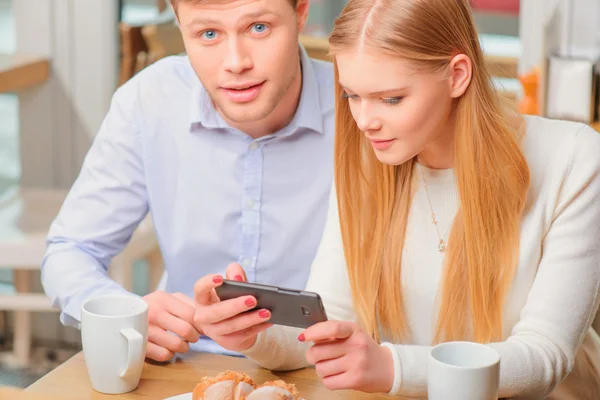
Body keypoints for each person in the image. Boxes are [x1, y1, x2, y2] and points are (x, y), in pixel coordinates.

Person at [191, 0, 600, 398]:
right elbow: (331, 319)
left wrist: (391, 368)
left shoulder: (574, 159)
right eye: (352, 95)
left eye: (391, 99)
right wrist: (252, 332)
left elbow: (545, 357)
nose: (365, 121)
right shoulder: (369, 161)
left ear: (457, 75)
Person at [41, 0, 335, 362]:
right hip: (188, 362)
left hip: (326, 368)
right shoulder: (150, 100)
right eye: (208, 34)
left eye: (259, 27)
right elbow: (72, 248)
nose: (236, 62)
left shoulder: (362, 107)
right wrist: (124, 313)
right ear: (180, 27)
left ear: (301, 13)